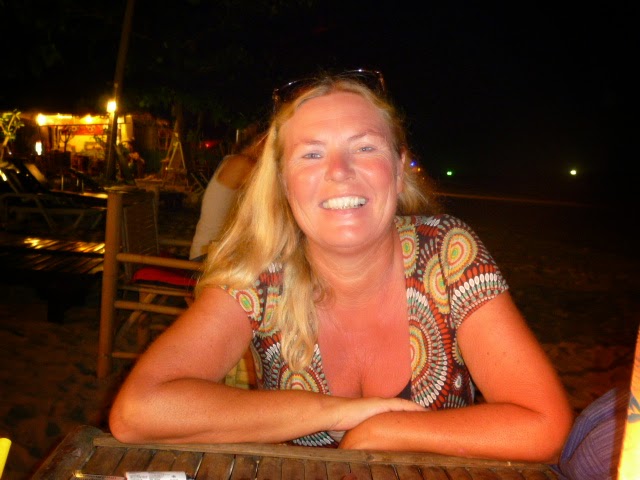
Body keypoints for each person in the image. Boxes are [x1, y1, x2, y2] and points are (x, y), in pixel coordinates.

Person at [109, 69, 573, 463]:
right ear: (283, 183)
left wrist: (383, 431)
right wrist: (337, 412)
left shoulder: (447, 253)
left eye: (365, 147)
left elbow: (545, 424)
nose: (338, 170)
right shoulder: (259, 272)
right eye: (311, 154)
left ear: (399, 169)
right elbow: (138, 411)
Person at [188, 134, 262, 260]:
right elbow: (276, 190)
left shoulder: (231, 161)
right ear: (260, 142)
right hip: (210, 257)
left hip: (217, 252)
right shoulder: (241, 164)